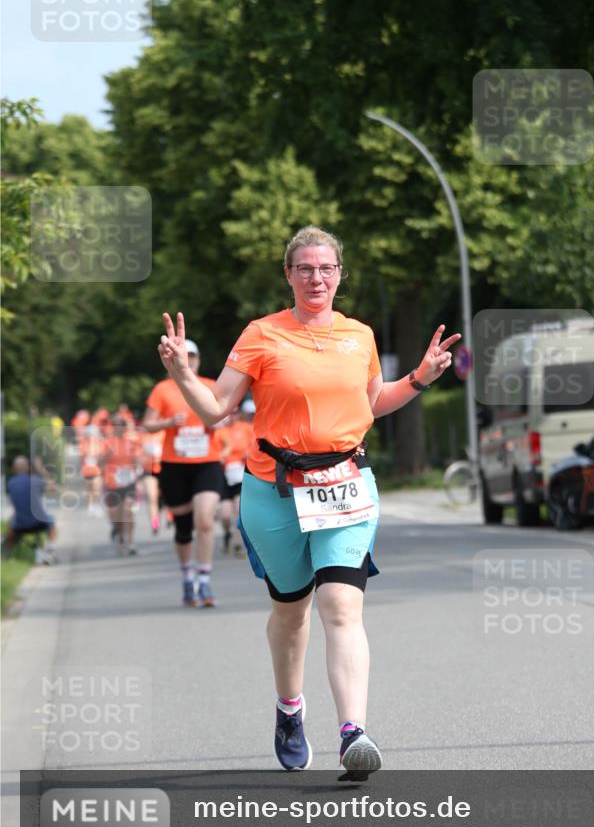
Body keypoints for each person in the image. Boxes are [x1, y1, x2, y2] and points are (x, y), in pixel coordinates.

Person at [156, 225, 460, 779]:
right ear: (288, 275)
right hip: (274, 492)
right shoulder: (262, 334)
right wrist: (181, 372)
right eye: (305, 268)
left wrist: (419, 378)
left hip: (346, 485)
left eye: (326, 268)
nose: (316, 277)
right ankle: (290, 708)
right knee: (291, 611)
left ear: (340, 274)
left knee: (342, 606)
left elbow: (372, 402)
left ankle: (353, 734)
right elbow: (215, 408)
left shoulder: (359, 335)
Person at [143, 338, 223, 607]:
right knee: (184, 527)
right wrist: (168, 422)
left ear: (199, 359)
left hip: (207, 462)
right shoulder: (163, 389)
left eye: (193, 355)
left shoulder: (210, 386)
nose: (188, 359)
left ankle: (205, 578)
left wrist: (217, 422)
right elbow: (148, 425)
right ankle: (187, 575)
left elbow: (224, 417)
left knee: (205, 521)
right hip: (174, 465)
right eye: (184, 355)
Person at [100, 414, 143, 556]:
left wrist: (137, 465)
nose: (119, 428)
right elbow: (99, 463)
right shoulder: (107, 443)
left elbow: (138, 460)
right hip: (112, 482)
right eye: (116, 426)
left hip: (128, 481)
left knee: (128, 511)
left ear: (125, 427)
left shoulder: (131, 442)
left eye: (121, 425)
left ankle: (130, 542)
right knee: (116, 515)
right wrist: (107, 456)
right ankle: (119, 535)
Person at [4, 456, 57, 564]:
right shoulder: (35, 481)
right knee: (51, 518)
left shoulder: (10, 484)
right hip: (39, 523)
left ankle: (6, 555)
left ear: (14, 469)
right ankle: (50, 551)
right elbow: (53, 488)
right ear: (28, 468)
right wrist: (41, 469)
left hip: (19, 525)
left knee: (11, 524)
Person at [217, 406, 253, 556]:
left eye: (234, 412)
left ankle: (238, 546)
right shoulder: (220, 431)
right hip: (223, 476)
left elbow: (255, 446)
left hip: (240, 473)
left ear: (239, 414)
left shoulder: (246, 428)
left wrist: (248, 453)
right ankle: (227, 533)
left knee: (238, 511)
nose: (231, 416)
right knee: (225, 515)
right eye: (228, 413)